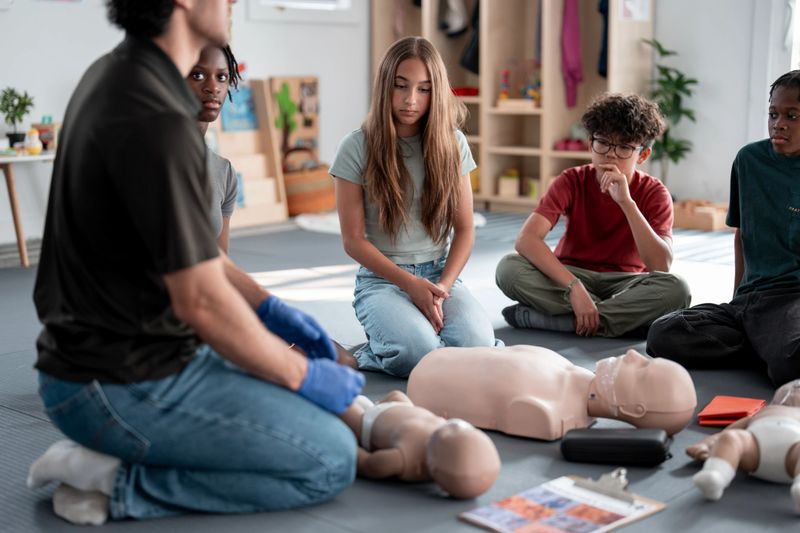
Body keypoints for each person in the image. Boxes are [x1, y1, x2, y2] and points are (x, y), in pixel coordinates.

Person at [26, 1, 364, 526]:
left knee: (322, 416)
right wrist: (302, 375)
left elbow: (204, 259)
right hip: (112, 382)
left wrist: (272, 309)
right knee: (329, 460)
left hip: (133, 356)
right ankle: (112, 482)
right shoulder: (157, 119)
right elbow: (201, 300)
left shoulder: (120, 74)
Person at [330, 36, 496, 378]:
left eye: (423, 89)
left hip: (439, 277)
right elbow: (353, 241)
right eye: (400, 86)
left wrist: (442, 288)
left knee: (478, 344)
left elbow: (464, 229)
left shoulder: (453, 144)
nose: (410, 100)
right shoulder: (355, 146)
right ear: (384, 87)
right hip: (382, 280)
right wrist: (410, 285)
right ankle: (367, 352)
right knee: (418, 354)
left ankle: (404, 332)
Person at [646, 71, 800, 386]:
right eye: (773, 114)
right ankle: (767, 345)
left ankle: (776, 347)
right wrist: (736, 299)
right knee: (664, 334)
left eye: (792, 116)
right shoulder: (749, 160)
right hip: (750, 300)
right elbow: (742, 235)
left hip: (792, 300)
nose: (778, 123)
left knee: (791, 362)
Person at [495, 93, 690, 338]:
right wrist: (574, 288)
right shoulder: (571, 180)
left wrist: (626, 203)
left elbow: (661, 266)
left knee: (678, 289)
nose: (610, 154)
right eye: (603, 142)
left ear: (642, 155)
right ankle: (617, 321)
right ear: (590, 144)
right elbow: (527, 240)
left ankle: (565, 321)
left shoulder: (655, 192)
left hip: (625, 283)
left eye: (624, 147)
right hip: (570, 275)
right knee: (508, 269)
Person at [407, 346, 696, 441]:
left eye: (642, 369)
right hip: (434, 363)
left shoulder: (548, 412)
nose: (634, 354)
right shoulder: (567, 369)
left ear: (635, 411)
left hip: (426, 383)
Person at [337, 391, 501, 499]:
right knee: (397, 394)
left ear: (432, 466)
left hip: (367, 422)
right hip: (402, 406)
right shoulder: (448, 437)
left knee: (341, 403)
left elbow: (371, 465)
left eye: (453, 431)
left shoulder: (406, 458)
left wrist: (352, 449)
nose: (457, 425)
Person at [686, 380, 800, 506]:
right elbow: (723, 435)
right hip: (755, 448)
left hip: (793, 454)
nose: (794, 391)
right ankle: (715, 476)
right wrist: (705, 444)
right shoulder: (761, 413)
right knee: (731, 438)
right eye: (794, 388)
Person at [187, 44, 241, 252]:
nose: (213, 87)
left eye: (222, 77)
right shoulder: (149, 160)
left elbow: (221, 262)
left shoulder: (224, 172)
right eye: (198, 75)